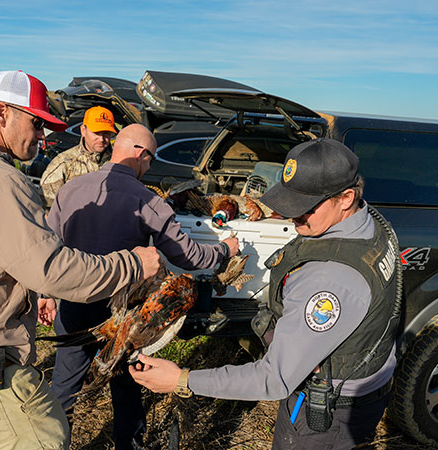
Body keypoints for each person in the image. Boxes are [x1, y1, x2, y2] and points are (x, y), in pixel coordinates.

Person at [0, 70, 161, 450]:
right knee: (46, 437)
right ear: (2, 113)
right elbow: (51, 269)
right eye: (37, 123)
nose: (43, 136)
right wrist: (133, 265)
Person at [130, 138, 402, 449]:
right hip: (365, 384)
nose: (292, 216)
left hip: (327, 412)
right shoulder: (371, 225)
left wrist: (181, 380)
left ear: (346, 197)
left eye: (305, 207)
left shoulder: (330, 280)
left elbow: (274, 379)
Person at [46, 123, 240, 450]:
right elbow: (189, 256)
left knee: (64, 384)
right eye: (149, 161)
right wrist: (224, 249)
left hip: (73, 301)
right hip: (122, 312)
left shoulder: (71, 189)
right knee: (126, 384)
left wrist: (44, 294)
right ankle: (129, 445)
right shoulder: (147, 200)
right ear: (141, 154)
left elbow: (48, 246)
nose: (148, 168)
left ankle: (50, 443)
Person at [39, 105, 117, 207]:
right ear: (83, 130)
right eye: (96, 133)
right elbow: (46, 206)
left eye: (106, 133)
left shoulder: (117, 163)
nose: (101, 139)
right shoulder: (64, 163)